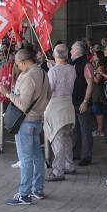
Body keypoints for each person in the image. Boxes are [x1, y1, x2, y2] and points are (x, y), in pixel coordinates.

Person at [1, 48, 51, 205]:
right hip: (36, 120)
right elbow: (49, 95)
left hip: (26, 122)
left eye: (17, 64)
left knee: (26, 158)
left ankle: (24, 194)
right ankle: (38, 189)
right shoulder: (43, 73)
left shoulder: (28, 76)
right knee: (37, 156)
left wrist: (8, 94)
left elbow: (23, 104)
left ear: (24, 61)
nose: (17, 67)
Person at [45, 44, 76, 181]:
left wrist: (52, 70)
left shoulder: (53, 71)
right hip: (68, 106)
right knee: (67, 138)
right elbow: (62, 76)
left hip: (56, 107)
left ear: (54, 55)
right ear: (67, 54)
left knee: (57, 140)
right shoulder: (72, 69)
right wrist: (53, 67)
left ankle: (58, 171)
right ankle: (69, 165)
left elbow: (50, 89)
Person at [71, 41, 95, 166]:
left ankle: (87, 156)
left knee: (85, 130)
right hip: (74, 102)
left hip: (82, 102)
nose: (70, 51)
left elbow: (90, 84)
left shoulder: (86, 65)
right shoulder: (74, 64)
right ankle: (76, 152)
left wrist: (85, 101)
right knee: (75, 129)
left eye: (72, 49)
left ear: (78, 51)